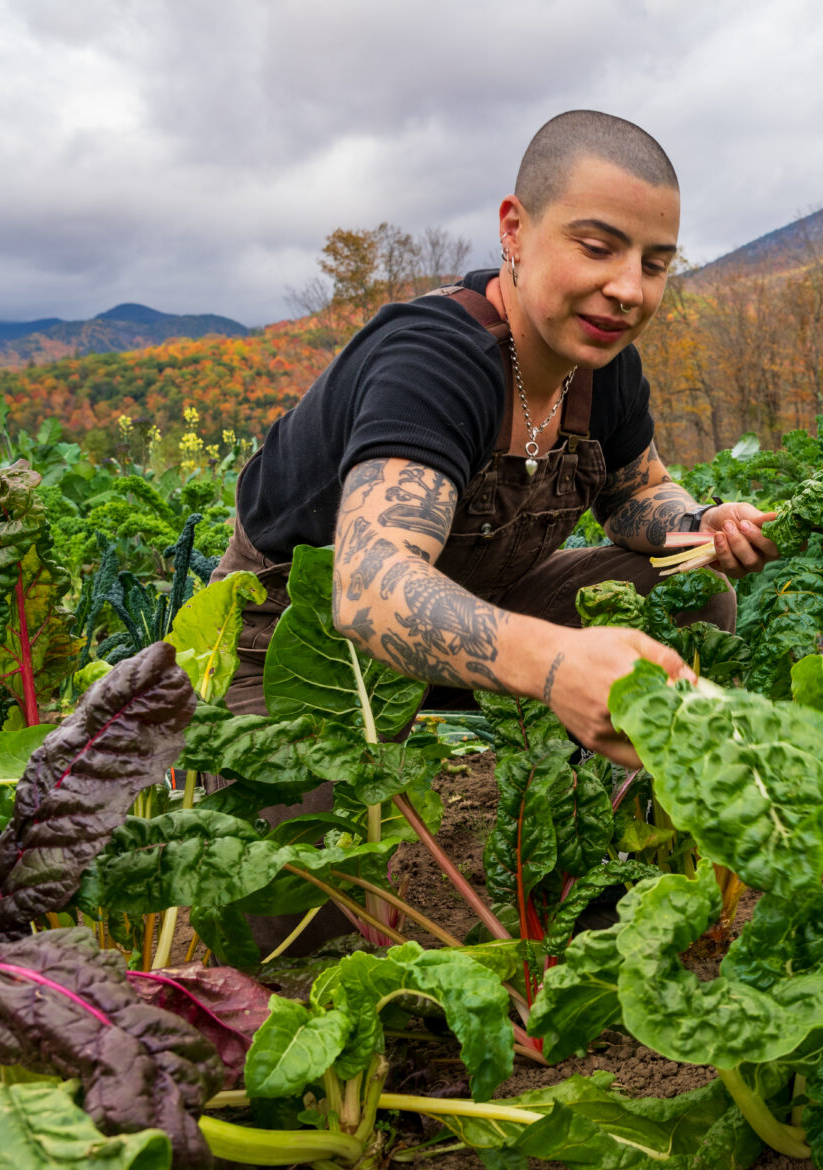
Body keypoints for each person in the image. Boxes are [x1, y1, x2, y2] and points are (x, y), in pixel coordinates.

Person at [212, 110, 776, 954]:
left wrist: (701, 524)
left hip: (482, 604)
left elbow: (635, 495)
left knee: (689, 592)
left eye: (655, 264)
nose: (630, 288)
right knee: (294, 937)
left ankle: (609, 865)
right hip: (310, 656)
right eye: (598, 247)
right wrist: (556, 665)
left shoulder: (602, 364)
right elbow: (369, 589)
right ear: (515, 228)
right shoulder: (433, 362)